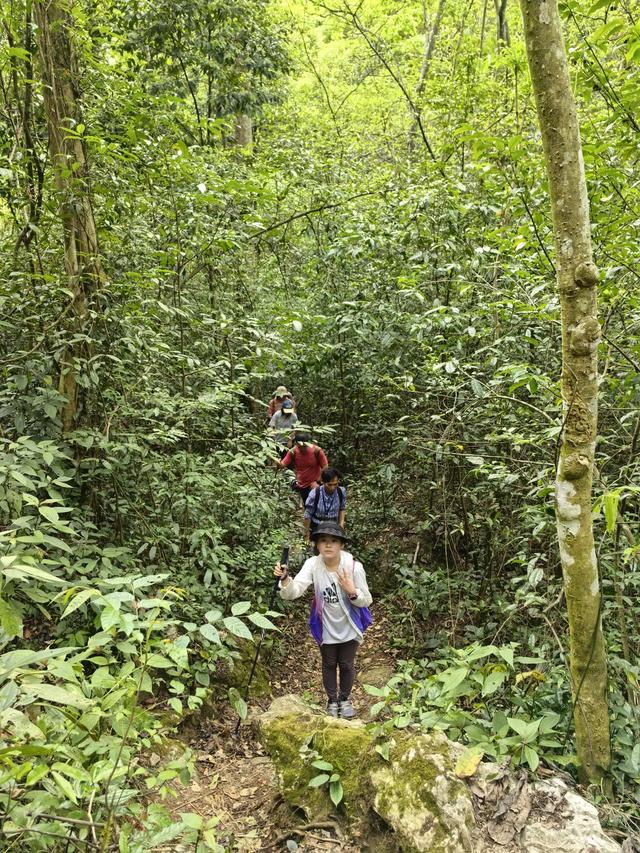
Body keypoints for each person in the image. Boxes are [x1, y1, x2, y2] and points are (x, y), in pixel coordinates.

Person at [273, 521, 372, 718]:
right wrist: (285, 579)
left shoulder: (354, 568)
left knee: (346, 664)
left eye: (334, 541)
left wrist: (352, 592)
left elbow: (366, 600)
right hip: (326, 624)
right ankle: (332, 700)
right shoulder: (313, 565)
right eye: (323, 540)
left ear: (341, 545)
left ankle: (344, 699)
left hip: (349, 625)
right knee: (328, 663)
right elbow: (295, 590)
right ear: (317, 545)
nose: (328, 545)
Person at [278, 433, 328, 505]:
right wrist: (277, 461)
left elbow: (325, 466)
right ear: (296, 443)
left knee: (316, 504)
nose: (302, 449)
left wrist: (318, 481)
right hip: (302, 484)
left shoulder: (316, 450)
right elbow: (283, 464)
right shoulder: (293, 452)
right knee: (307, 505)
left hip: (315, 483)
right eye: (300, 447)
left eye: (304, 446)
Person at [304, 468, 346, 542]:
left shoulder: (341, 492)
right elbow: (308, 515)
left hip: (333, 527)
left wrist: (341, 524)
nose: (332, 488)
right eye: (329, 484)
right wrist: (306, 534)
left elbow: (342, 508)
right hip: (317, 527)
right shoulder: (315, 494)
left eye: (335, 484)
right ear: (322, 482)